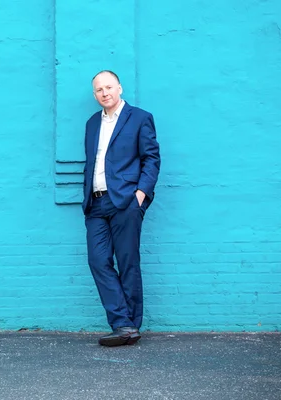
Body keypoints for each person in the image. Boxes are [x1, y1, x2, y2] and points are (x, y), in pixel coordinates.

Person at [82, 70, 160, 346]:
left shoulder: (139, 118)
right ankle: (123, 323)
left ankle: (129, 326)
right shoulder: (92, 123)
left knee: (127, 262)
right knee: (98, 260)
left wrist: (140, 195)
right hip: (96, 203)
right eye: (99, 90)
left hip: (126, 202)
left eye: (109, 87)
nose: (105, 93)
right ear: (95, 95)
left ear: (120, 88)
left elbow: (151, 159)